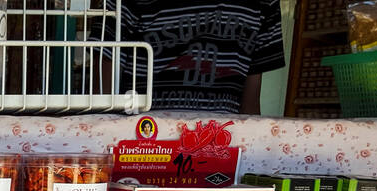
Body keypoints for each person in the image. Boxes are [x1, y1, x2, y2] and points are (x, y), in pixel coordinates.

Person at [98, 0, 286, 114]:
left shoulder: (264, 3)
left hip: (224, 142)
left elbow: (250, 101)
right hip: (142, 143)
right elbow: (104, 90)